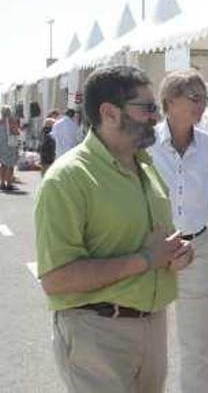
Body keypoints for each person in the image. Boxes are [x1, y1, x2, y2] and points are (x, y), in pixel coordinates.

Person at [34, 65, 194, 393]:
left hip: (151, 325)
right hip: (96, 331)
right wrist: (146, 259)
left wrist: (176, 254)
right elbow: (56, 279)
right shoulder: (68, 179)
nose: (156, 117)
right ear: (109, 112)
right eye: (147, 108)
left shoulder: (146, 167)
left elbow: (159, 244)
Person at [148, 69, 208, 393]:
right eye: (193, 97)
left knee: (196, 348)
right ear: (169, 102)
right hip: (153, 253)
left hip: (197, 250)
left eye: (204, 98)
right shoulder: (145, 144)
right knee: (149, 346)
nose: (201, 105)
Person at [0, 105, 20, 191]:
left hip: (1, 145)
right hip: (10, 145)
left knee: (3, 164)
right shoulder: (12, 120)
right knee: (10, 165)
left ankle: (2, 183)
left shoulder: (0, 121)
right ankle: (9, 183)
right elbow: (16, 132)